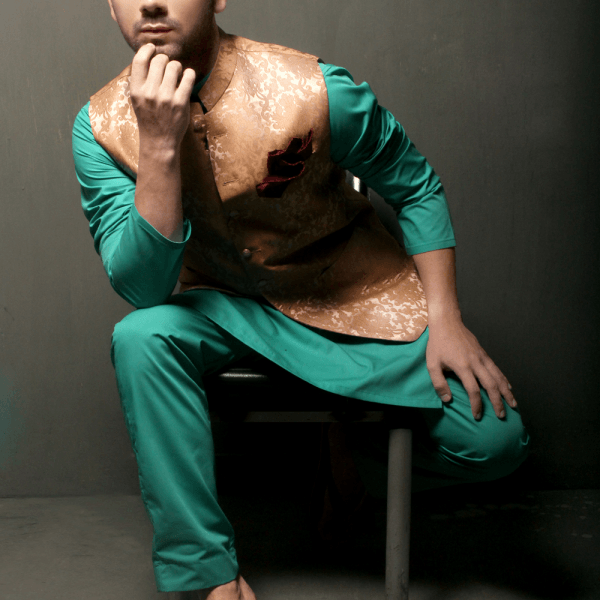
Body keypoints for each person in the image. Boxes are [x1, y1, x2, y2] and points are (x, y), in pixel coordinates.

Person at [72, 0, 530, 598]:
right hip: (230, 308)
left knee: (497, 445)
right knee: (142, 337)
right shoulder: (99, 125)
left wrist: (447, 319)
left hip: (353, 297)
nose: (152, 1)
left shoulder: (316, 88)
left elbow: (416, 186)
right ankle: (209, 575)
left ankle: (349, 454)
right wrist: (159, 145)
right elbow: (144, 289)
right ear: (111, 7)